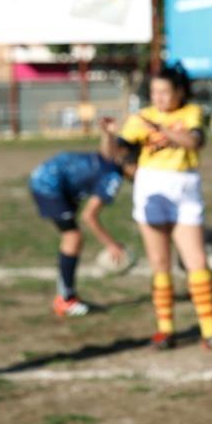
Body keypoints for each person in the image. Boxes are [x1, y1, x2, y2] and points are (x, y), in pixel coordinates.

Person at [121, 63, 212, 352]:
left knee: (196, 261)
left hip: (184, 190)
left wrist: (161, 129)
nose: (158, 98)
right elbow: (122, 153)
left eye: (164, 91)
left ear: (179, 91)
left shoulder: (191, 113)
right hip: (151, 187)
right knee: (160, 263)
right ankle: (165, 330)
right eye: (154, 92)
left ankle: (209, 330)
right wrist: (117, 150)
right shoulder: (139, 119)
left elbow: (195, 142)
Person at [29, 118, 138, 317]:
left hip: (54, 179)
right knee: (73, 237)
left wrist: (108, 133)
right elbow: (90, 216)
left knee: (72, 238)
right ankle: (65, 300)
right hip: (49, 184)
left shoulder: (111, 163)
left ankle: (67, 295)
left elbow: (108, 149)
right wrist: (111, 245)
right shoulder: (113, 177)